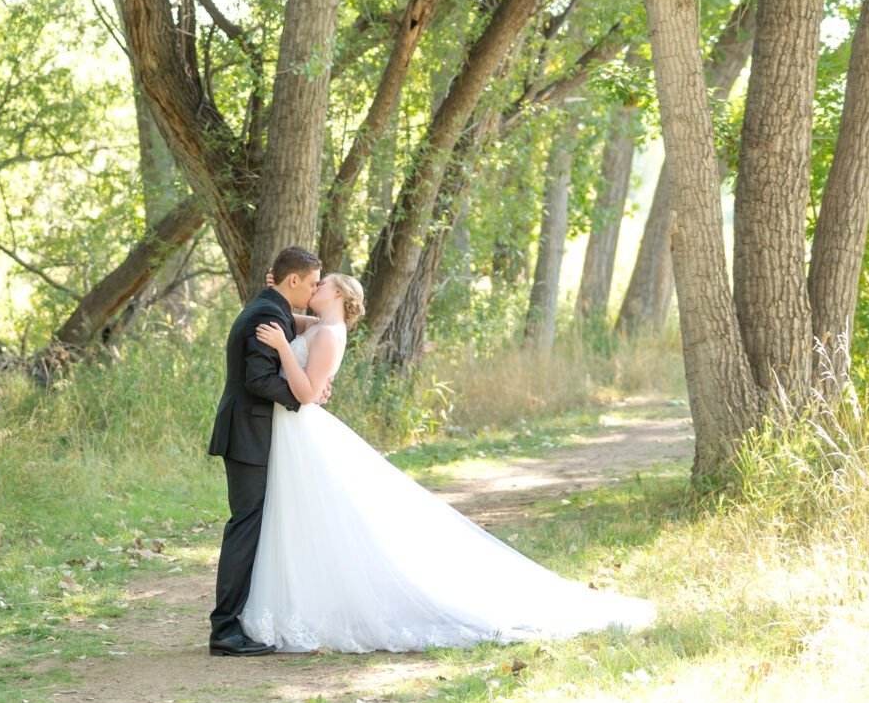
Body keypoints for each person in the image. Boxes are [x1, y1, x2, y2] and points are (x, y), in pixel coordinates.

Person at [237, 272, 656, 653]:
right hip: (294, 431)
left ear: (341, 294)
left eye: (322, 284)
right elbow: (296, 323)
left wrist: (281, 350)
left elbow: (308, 391)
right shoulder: (323, 326)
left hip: (302, 422)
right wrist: (275, 294)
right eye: (312, 282)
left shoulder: (330, 332)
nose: (315, 288)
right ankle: (304, 600)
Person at [206, 246, 327, 656]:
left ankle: (235, 621)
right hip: (247, 435)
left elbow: (297, 328)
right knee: (245, 527)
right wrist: (303, 397)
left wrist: (331, 316)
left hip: (250, 433)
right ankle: (224, 629)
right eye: (311, 284)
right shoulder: (265, 315)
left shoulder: (268, 307)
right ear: (292, 281)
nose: (313, 292)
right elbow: (258, 379)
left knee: (251, 525)